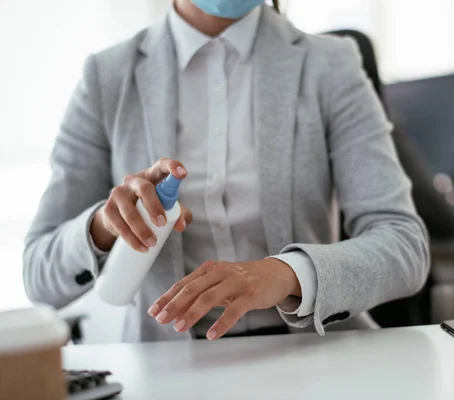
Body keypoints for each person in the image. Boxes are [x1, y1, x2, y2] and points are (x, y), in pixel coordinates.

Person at [23, 0, 429, 342]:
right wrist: (104, 227)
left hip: (312, 352)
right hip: (164, 364)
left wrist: (286, 275)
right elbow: (39, 275)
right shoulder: (106, 77)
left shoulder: (331, 64)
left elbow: (404, 245)